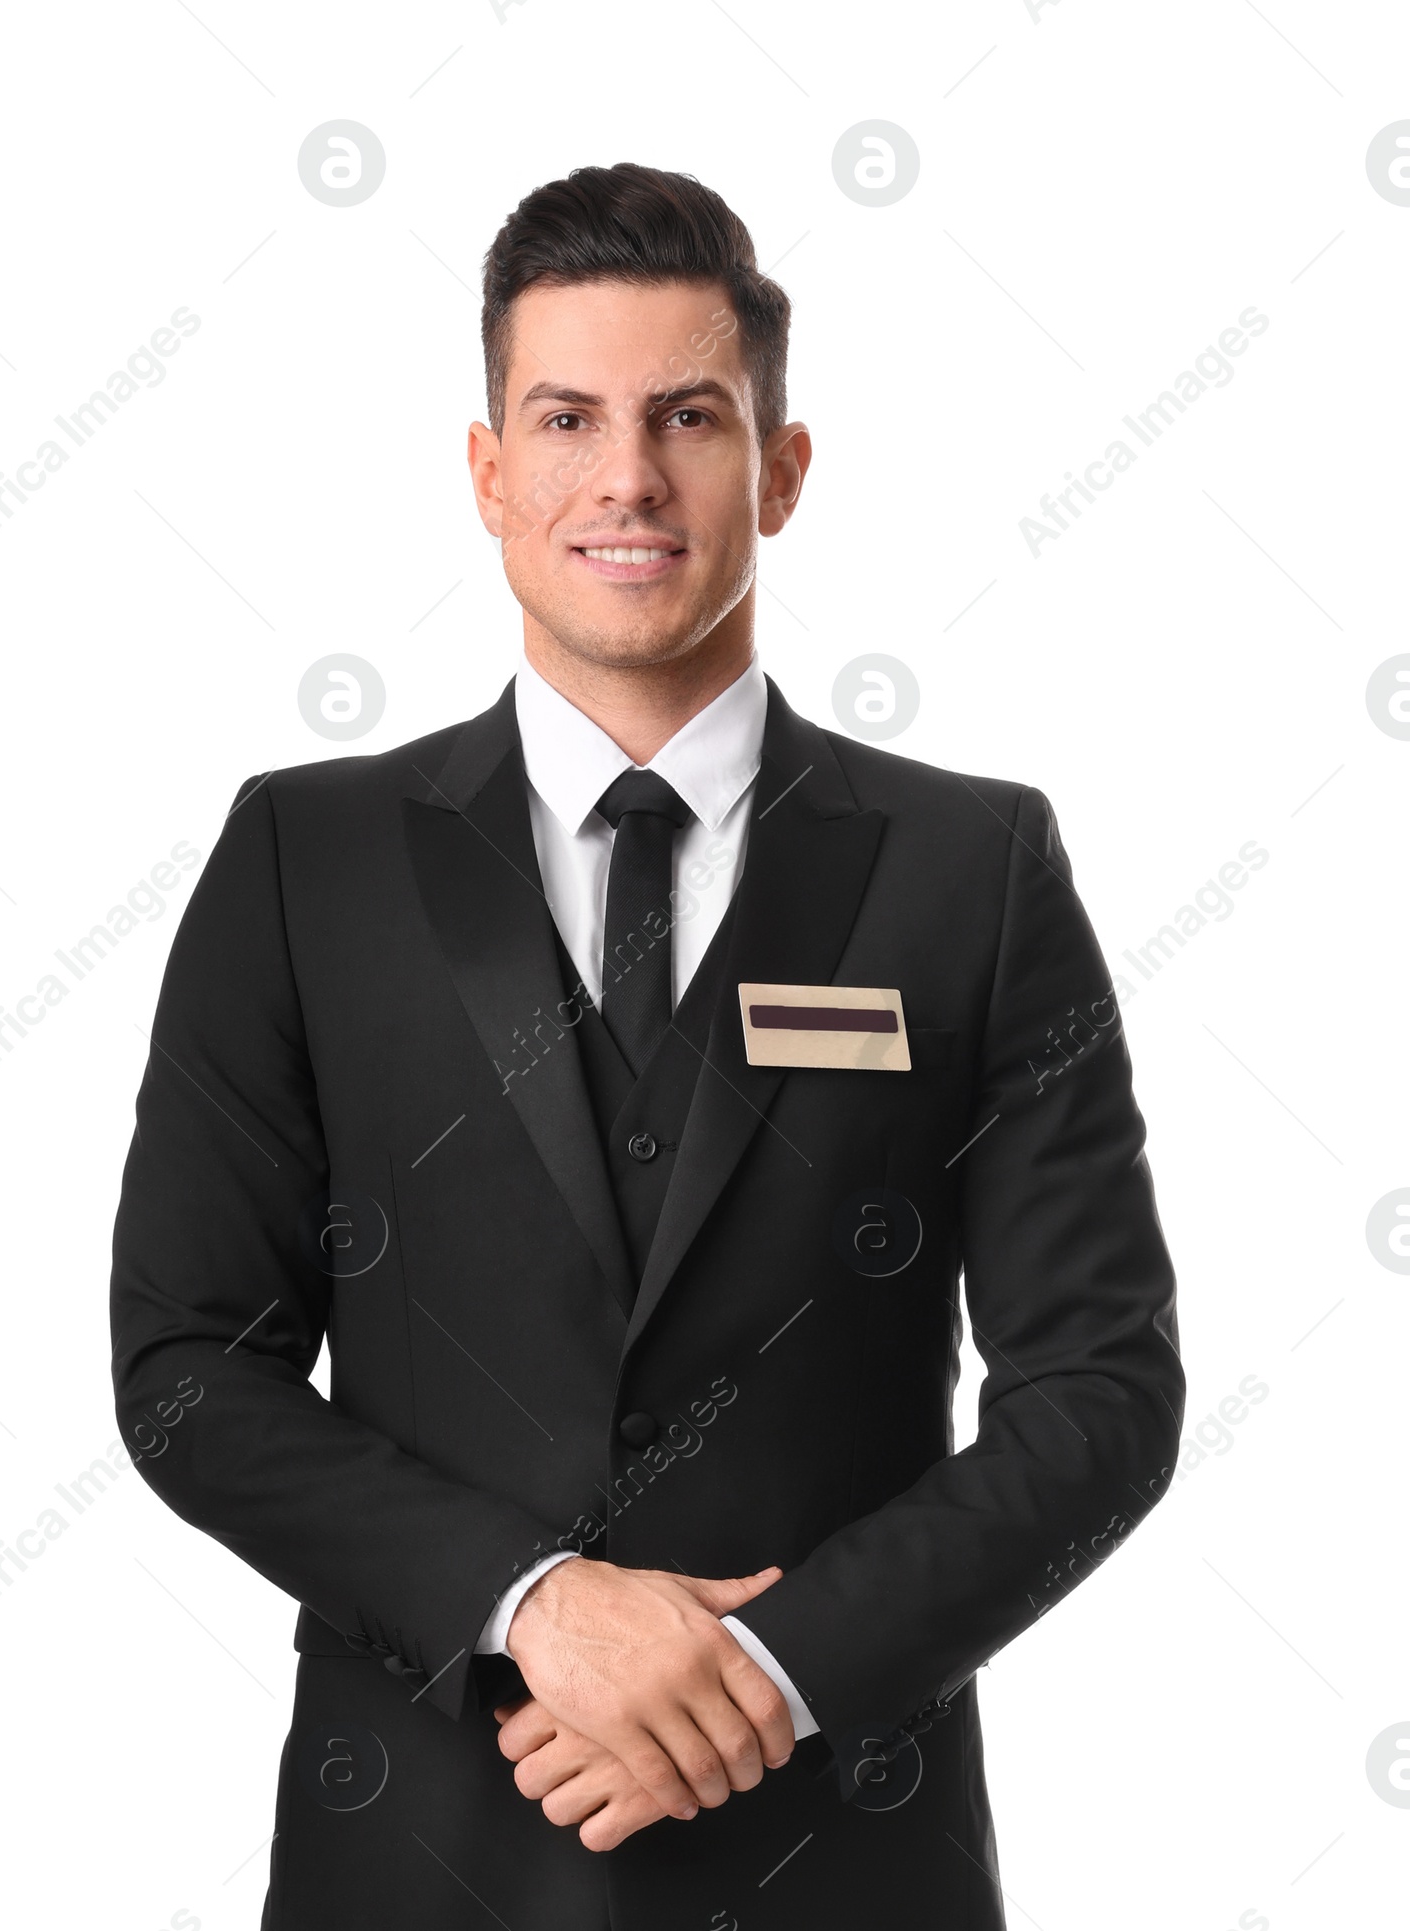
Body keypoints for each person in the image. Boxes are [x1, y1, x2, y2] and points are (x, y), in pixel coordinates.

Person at [110, 161, 1184, 1929]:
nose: (627, 478)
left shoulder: (972, 870)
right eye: (567, 419)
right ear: (488, 471)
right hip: (422, 1861)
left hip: (850, 1857)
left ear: (781, 468)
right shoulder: (305, 861)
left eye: (689, 417)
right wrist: (533, 1599)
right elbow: (187, 1371)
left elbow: (1102, 1398)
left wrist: (774, 1673)